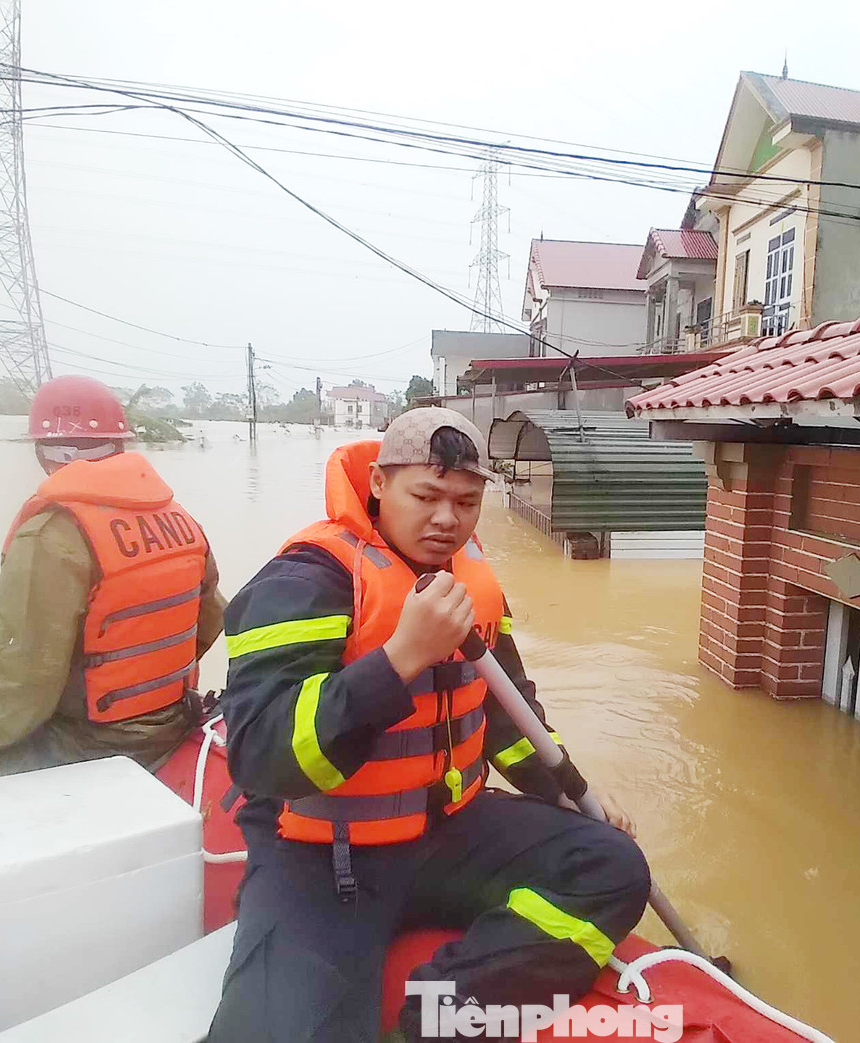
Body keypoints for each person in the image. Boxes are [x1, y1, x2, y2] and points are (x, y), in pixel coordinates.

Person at [209, 407, 649, 1043]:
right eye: (427, 496)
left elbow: (506, 709)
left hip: (448, 830)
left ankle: (439, 1016)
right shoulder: (306, 580)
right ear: (381, 484)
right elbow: (260, 755)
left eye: (467, 502)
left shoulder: (472, 578)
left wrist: (567, 792)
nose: (448, 519)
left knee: (614, 865)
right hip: (323, 851)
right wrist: (399, 660)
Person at [0, 375, 226, 783]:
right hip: (174, 722)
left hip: (89, 742)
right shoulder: (180, 520)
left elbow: (22, 682)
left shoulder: (51, 535)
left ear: (46, 453)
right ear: (121, 446)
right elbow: (211, 617)